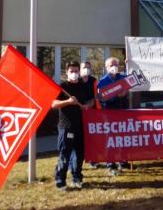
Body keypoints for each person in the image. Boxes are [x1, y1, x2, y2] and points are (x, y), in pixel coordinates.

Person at [52, 61, 95, 190]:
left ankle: (77, 178)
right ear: (67, 72)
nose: (74, 73)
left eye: (76, 71)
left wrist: (87, 105)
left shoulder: (83, 86)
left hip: (80, 126)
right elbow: (53, 104)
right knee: (65, 154)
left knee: (79, 154)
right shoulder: (62, 87)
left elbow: (92, 100)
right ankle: (60, 180)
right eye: (71, 71)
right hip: (66, 126)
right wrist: (68, 101)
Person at [97, 57, 130, 176]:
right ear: (106, 67)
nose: (114, 67)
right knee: (111, 138)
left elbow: (130, 83)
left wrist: (125, 91)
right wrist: (116, 96)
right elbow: (101, 98)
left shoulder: (122, 77)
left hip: (123, 110)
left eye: (116, 64)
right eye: (111, 65)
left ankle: (123, 160)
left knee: (123, 137)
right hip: (109, 112)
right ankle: (111, 163)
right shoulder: (102, 81)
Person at [79, 61, 101, 170]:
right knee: (80, 139)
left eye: (88, 67)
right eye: (84, 67)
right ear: (80, 69)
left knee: (93, 137)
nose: (86, 69)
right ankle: (78, 162)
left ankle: (94, 160)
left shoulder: (94, 81)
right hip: (79, 112)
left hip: (92, 113)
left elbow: (98, 96)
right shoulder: (77, 81)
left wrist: (90, 103)